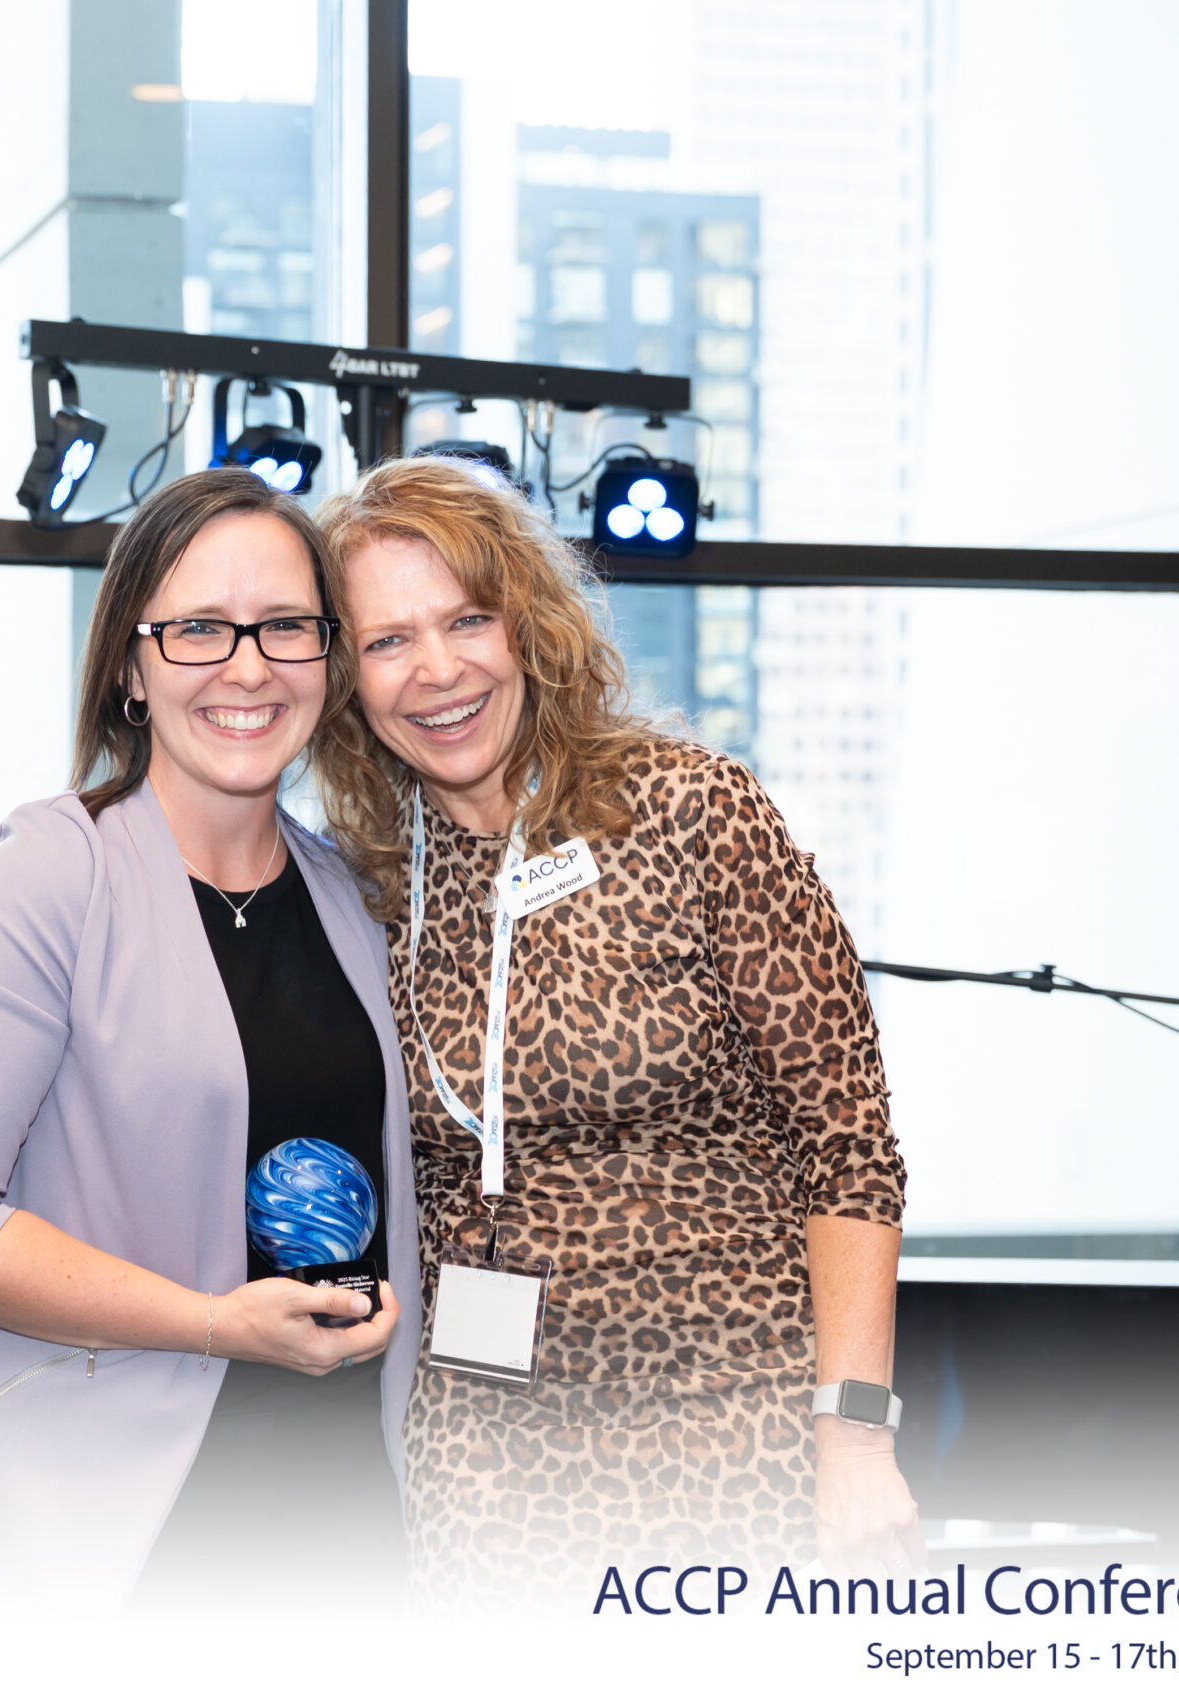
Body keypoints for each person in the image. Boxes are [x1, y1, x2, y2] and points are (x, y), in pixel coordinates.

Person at [313, 455, 921, 1607]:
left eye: (466, 619)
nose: (436, 669)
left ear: (527, 623)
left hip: (732, 1433)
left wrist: (853, 1437)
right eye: (388, 640)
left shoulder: (694, 811)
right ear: (345, 676)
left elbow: (848, 1147)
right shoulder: (367, 880)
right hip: (483, 1457)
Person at [0, 468, 420, 1614]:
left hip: (339, 1523)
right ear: (129, 664)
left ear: (327, 658)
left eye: (285, 626)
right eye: (199, 628)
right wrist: (212, 1323)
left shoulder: (355, 898)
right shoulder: (53, 871)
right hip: (92, 1545)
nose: (247, 667)